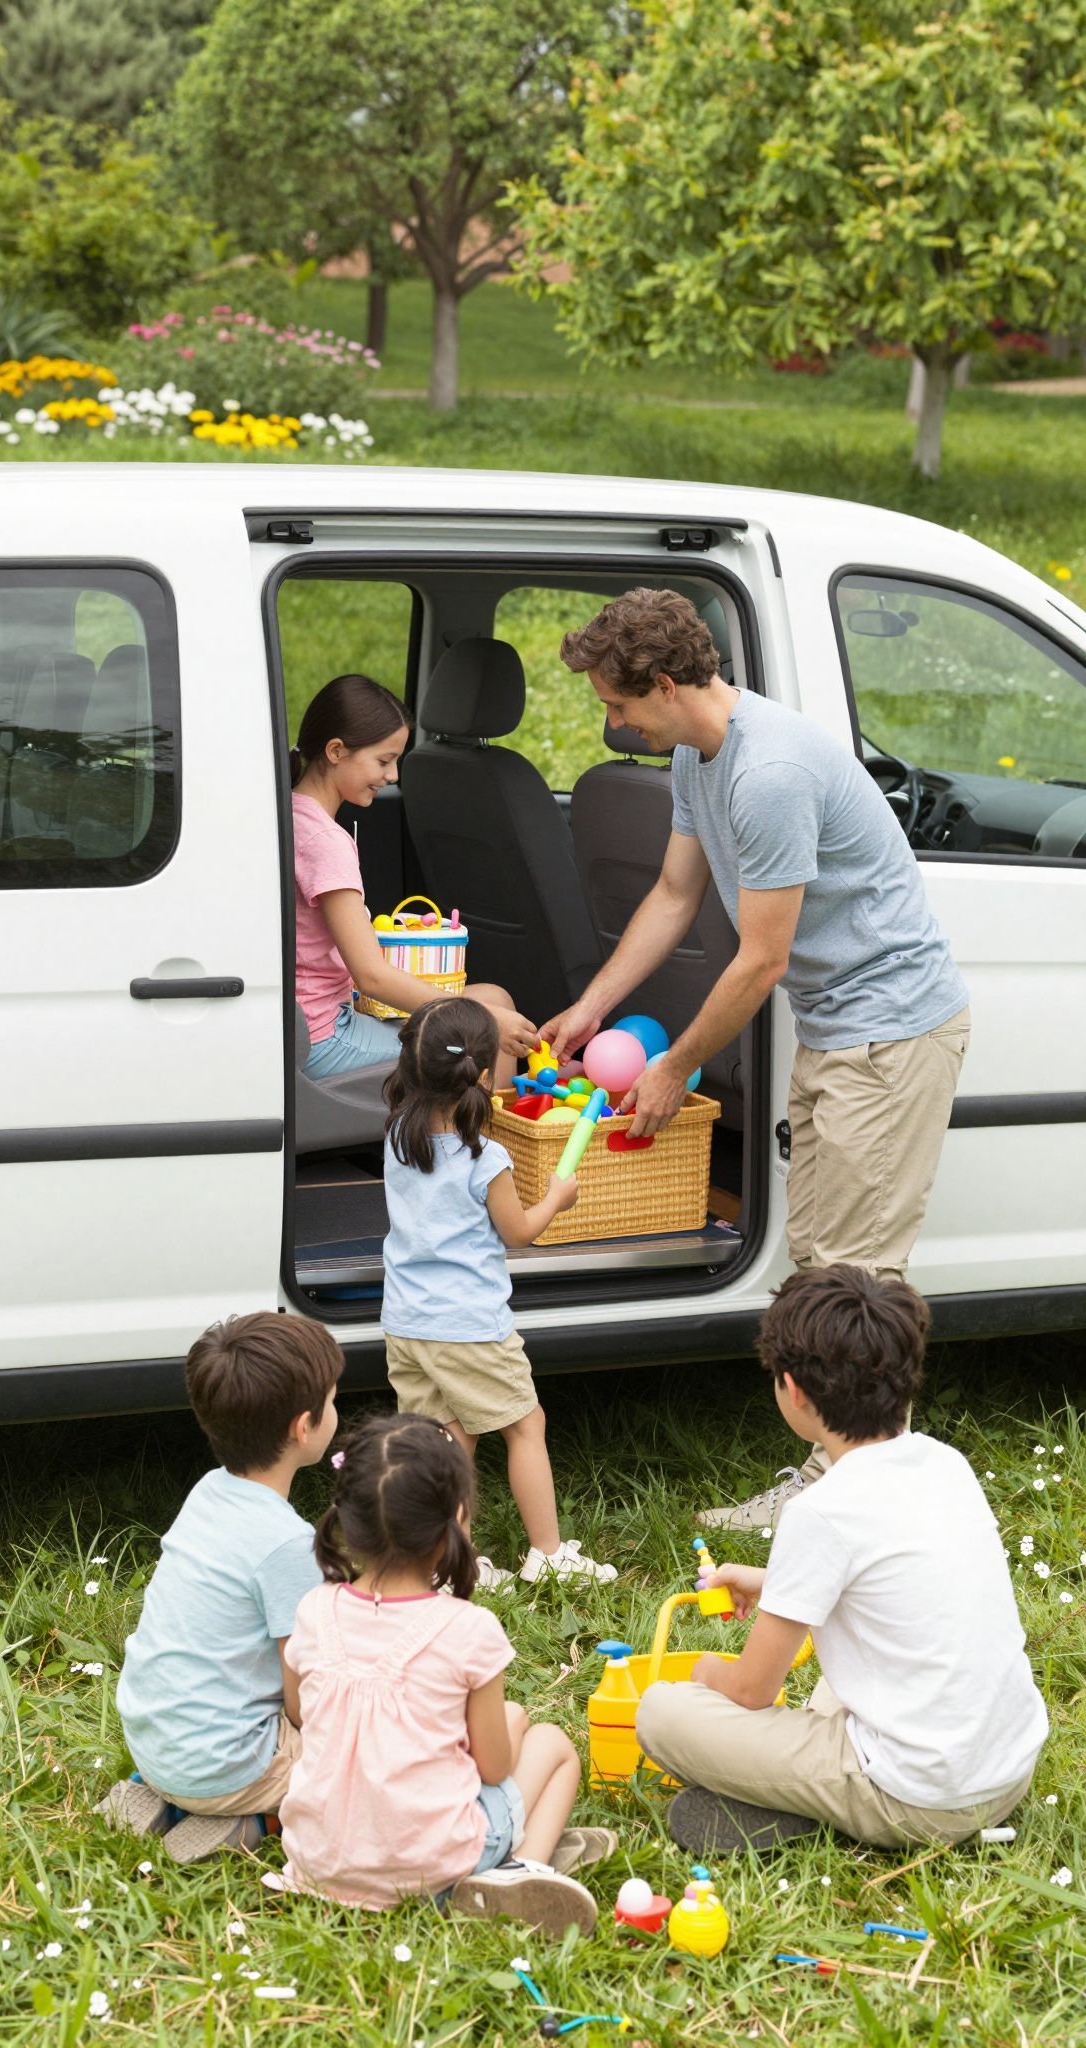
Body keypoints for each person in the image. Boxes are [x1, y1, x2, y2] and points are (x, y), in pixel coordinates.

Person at [547, 588, 971, 1528]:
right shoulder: (698, 754)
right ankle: (847, 1481)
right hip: (838, 1024)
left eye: (618, 704)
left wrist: (671, 1066)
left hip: (890, 1030)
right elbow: (673, 892)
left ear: (665, 685)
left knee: (858, 1281)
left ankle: (854, 1499)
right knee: (817, 1260)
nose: (613, 723)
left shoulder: (768, 773)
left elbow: (762, 960)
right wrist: (593, 1005)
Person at [635, 1266, 1047, 1856]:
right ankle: (815, 1799)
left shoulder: (820, 1510)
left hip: (922, 1799)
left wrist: (705, 1673)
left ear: (793, 1389)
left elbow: (751, 1691)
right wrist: (773, 1581)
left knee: (661, 1711)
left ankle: (824, 1807)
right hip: (1006, 1771)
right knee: (856, 1666)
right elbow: (887, 1580)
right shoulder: (945, 1463)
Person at [274, 1413, 616, 1933]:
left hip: (317, 1858)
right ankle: (520, 1872)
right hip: (426, 1864)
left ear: (348, 1518)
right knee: (552, 1744)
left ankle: (512, 1858)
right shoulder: (468, 1628)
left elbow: (300, 1711)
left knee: (512, 1718)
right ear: (458, 1517)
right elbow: (494, 1770)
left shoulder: (313, 1610)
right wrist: (509, 1728)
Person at [381, 994, 617, 1588]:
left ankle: (449, 1564)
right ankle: (549, 1555)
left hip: (406, 1322)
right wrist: (556, 1198)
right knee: (525, 1425)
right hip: (470, 1327)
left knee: (447, 1440)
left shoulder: (398, 1139)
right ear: (486, 1077)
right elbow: (519, 1233)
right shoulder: (486, 1159)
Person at [97, 1313, 343, 1864]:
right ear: (304, 1428)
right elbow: (303, 1697)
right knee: (361, 1757)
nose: (337, 1409)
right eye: (333, 1400)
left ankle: (158, 1795)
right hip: (225, 1767)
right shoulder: (288, 1545)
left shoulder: (208, 1491)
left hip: (151, 1739)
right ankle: (254, 1820)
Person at [292, 672, 534, 1085]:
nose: (393, 775)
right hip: (327, 1036)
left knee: (494, 997)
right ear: (336, 751)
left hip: (319, 1018)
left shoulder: (293, 814)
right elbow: (371, 976)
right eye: (383, 761)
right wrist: (484, 1018)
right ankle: (488, 1128)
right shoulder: (324, 840)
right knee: (486, 1032)